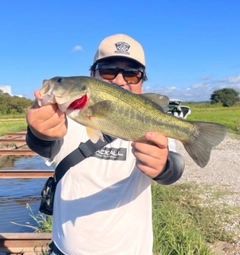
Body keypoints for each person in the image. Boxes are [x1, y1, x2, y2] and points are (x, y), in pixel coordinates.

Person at [26, 34, 185, 255]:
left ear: (142, 81)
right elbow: (45, 143)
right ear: (91, 75)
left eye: (132, 74)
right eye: (108, 70)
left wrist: (163, 166)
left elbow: (173, 168)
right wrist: (37, 131)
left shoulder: (152, 126)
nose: (119, 80)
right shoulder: (68, 120)